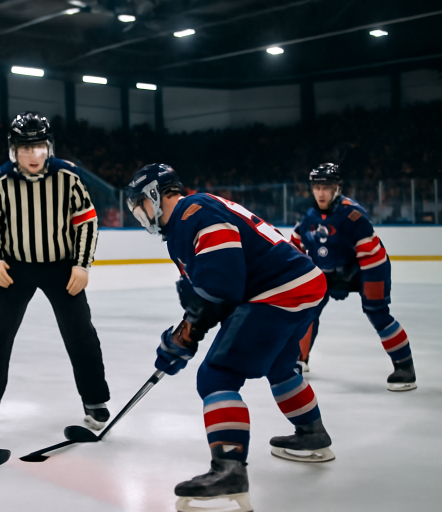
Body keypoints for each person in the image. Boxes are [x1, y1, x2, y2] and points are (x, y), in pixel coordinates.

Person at [126, 164, 334, 512]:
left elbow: (222, 287)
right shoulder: (188, 220)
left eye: (140, 207)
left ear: (154, 196)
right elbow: (205, 296)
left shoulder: (197, 213)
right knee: (282, 367)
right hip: (303, 284)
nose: (140, 216)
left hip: (279, 290)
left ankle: (229, 470)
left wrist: (185, 335)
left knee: (217, 375)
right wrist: (184, 334)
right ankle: (312, 433)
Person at [0, 112, 110, 430]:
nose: (32, 155)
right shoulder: (2, 178)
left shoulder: (68, 176)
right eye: (24, 148)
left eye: (38, 147)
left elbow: (86, 220)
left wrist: (81, 264)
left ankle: (95, 400)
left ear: (48, 147)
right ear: (13, 149)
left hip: (61, 267)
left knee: (81, 334)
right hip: (14, 267)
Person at [291, 163, 416, 391]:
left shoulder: (353, 215)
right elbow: (295, 248)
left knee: (376, 312)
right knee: (306, 309)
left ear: (337, 188)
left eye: (326, 187)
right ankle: (299, 359)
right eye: (317, 187)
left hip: (367, 268)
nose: (321, 193)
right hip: (329, 271)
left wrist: (358, 284)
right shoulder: (308, 216)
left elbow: (371, 255)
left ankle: (405, 367)